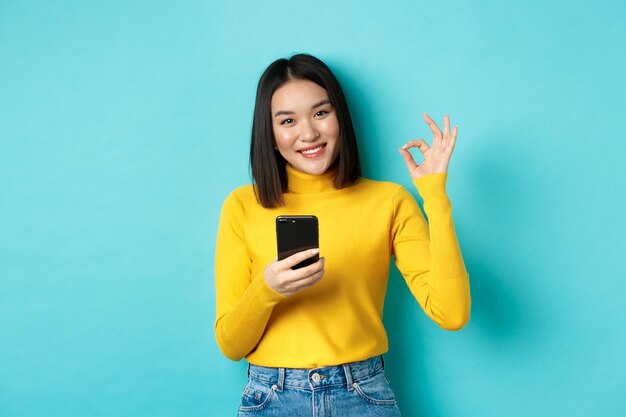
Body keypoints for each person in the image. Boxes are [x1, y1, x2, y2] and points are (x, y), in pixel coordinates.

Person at [214, 53, 471, 416]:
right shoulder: (242, 205)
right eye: (288, 120)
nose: (308, 133)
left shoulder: (389, 201)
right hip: (272, 398)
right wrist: (268, 288)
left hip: (362, 395)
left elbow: (452, 313)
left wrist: (434, 196)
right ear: (270, 133)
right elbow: (230, 344)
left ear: (340, 118)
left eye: (321, 113)